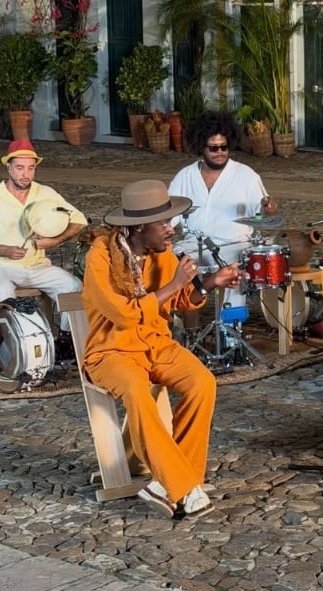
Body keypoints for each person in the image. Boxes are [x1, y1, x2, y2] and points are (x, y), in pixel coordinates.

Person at [81, 179, 241, 518]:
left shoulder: (161, 252)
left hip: (156, 344)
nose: (172, 229)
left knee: (202, 382)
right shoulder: (100, 257)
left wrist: (210, 282)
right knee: (138, 393)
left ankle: (167, 484)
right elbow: (123, 315)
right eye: (164, 223)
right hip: (111, 352)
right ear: (139, 226)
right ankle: (182, 487)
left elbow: (182, 301)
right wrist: (173, 285)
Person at [0, 139, 87, 334]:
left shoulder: (46, 193)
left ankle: (67, 339)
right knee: (3, 292)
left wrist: (55, 241)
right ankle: (7, 344)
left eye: (31, 168)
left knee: (72, 286)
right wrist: (4, 250)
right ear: (8, 167)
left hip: (37, 266)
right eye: (20, 168)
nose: (26, 174)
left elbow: (79, 220)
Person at [169, 110, 277, 311]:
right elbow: (169, 216)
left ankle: (231, 330)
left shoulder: (246, 175)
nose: (220, 152)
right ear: (201, 147)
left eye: (224, 147)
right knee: (169, 261)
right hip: (195, 244)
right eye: (213, 148)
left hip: (234, 244)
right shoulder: (185, 176)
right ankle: (188, 326)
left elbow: (262, 213)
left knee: (238, 265)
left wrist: (267, 208)